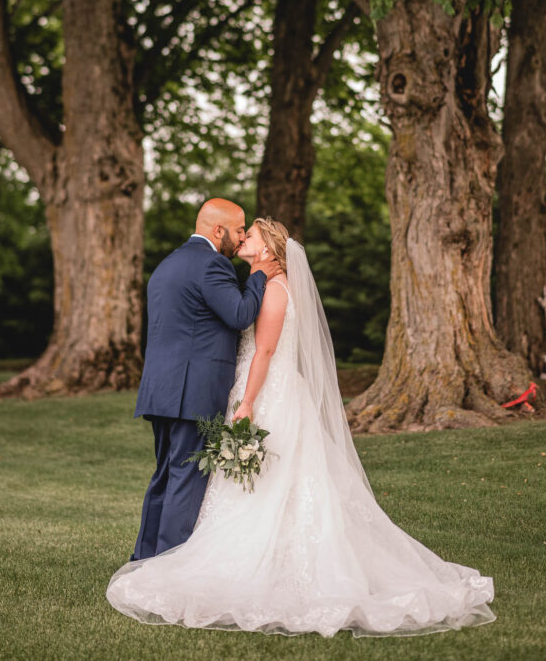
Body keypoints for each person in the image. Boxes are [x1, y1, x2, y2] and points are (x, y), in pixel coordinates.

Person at [109, 217, 496, 639]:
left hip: (265, 394)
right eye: (241, 231)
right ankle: (174, 555)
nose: (243, 239)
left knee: (267, 485)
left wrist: (247, 404)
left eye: (250, 235)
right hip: (256, 389)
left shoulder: (275, 289)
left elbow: (266, 351)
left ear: (269, 249)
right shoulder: (265, 282)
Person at [129, 199, 279, 561]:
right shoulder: (211, 264)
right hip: (191, 392)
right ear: (218, 231)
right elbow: (240, 314)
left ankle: (144, 561)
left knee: (164, 476)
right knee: (185, 480)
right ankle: (167, 568)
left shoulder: (169, 264)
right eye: (239, 230)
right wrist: (259, 275)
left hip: (161, 391)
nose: (241, 237)